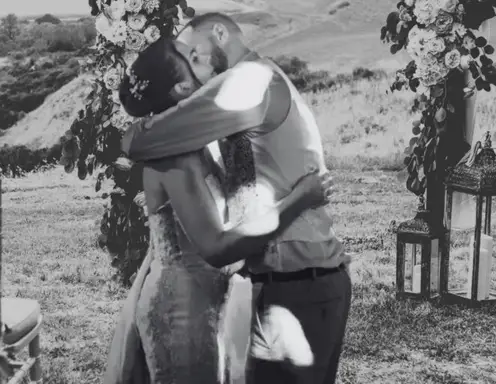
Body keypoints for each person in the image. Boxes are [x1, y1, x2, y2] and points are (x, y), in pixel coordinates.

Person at [123, 12, 352, 384]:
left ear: (219, 33)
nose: (197, 71)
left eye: (195, 55)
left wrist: (133, 134)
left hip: (301, 283)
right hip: (283, 283)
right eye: (188, 64)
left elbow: (144, 139)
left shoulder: (252, 80)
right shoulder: (250, 86)